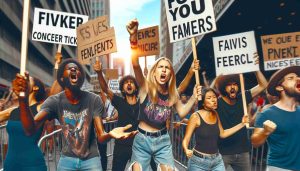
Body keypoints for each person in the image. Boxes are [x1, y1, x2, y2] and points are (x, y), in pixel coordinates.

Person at [12, 58, 137, 171]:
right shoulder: (54, 101)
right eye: (69, 68)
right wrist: (22, 99)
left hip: (91, 159)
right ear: (61, 78)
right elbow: (30, 130)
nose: (73, 69)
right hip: (67, 159)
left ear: (81, 78)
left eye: (77, 69)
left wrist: (110, 134)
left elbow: (101, 137)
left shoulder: (94, 99)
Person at [127, 19, 201, 171]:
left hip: (163, 141)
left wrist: (193, 97)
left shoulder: (172, 94)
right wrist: (133, 39)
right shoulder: (145, 88)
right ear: (154, 71)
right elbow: (135, 64)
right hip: (142, 140)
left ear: (170, 75)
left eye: (167, 68)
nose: (164, 70)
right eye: (160, 67)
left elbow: (181, 112)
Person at [213, 53, 268, 171]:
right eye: (228, 85)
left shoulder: (243, 97)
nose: (232, 87)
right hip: (223, 152)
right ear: (223, 87)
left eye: (235, 84)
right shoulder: (216, 103)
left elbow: (263, 85)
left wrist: (255, 69)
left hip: (243, 152)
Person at [182, 88, 248, 171]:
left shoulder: (215, 113)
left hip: (217, 160)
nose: (214, 100)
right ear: (203, 102)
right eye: (209, 98)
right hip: (198, 162)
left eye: (214, 97)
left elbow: (223, 133)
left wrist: (242, 124)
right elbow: (186, 139)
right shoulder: (195, 116)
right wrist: (186, 149)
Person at [251, 66, 300, 171]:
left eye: (298, 77)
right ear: (279, 87)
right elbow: (255, 142)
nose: (297, 79)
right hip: (279, 168)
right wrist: (265, 132)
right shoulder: (267, 114)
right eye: (291, 78)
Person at [1, 77, 47, 170]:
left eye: (27, 80)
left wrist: (58, 65)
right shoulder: (12, 111)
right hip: (10, 164)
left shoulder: (41, 107)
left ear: (35, 87)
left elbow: (56, 93)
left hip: (32, 164)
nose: (22, 82)